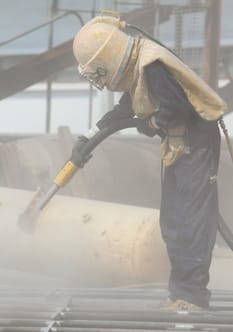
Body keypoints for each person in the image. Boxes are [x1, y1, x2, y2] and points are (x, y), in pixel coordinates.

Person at [71, 15, 227, 311]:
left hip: (196, 142)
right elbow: (125, 109)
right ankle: (179, 294)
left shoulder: (150, 64)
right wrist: (89, 136)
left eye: (98, 72)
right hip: (182, 144)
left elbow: (177, 109)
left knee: (190, 220)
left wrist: (151, 123)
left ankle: (192, 298)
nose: (100, 80)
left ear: (107, 57)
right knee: (173, 220)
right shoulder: (136, 67)